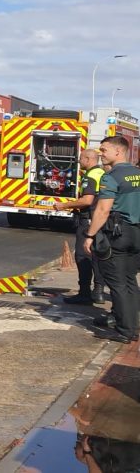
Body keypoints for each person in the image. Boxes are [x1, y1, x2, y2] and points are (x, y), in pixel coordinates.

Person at [82, 136, 140, 343]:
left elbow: (103, 209)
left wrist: (89, 236)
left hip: (117, 234)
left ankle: (125, 331)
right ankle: (133, 327)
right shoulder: (137, 174)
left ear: (118, 152)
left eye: (104, 150)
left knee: (118, 284)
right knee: (130, 281)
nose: (100, 154)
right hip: (136, 234)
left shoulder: (111, 177)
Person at [53, 149, 106, 304]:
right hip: (100, 221)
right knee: (98, 257)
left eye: (81, 158)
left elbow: (87, 200)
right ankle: (99, 292)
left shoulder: (90, 176)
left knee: (83, 256)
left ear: (88, 159)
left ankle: (84, 294)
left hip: (88, 220)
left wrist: (64, 205)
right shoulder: (102, 174)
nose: (79, 161)